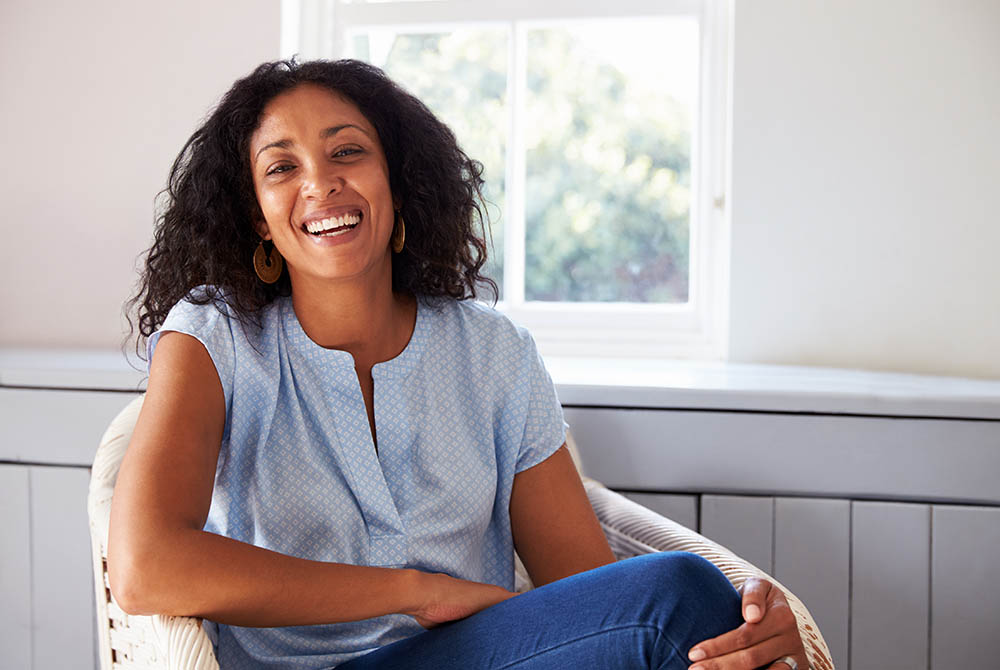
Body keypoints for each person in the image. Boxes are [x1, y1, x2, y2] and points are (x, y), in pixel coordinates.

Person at [108, 58, 809, 670]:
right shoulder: (214, 336)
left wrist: (738, 624)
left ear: (398, 181)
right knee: (682, 596)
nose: (320, 184)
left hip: (485, 656)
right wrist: (415, 590)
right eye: (282, 167)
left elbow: (588, 590)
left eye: (347, 152)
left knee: (699, 612)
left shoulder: (493, 353)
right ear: (258, 216)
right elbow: (145, 566)